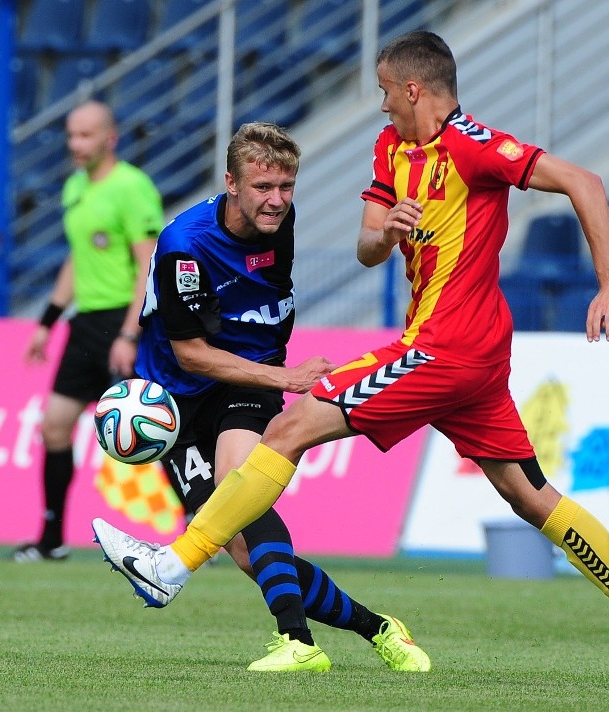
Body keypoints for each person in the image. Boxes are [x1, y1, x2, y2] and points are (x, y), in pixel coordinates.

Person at [92, 32, 609, 693]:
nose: (381, 106)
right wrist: (388, 230)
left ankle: (171, 568)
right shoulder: (392, 149)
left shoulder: (473, 146)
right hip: (470, 357)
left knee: (289, 430)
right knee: (529, 496)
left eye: (385, 92)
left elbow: (584, 181)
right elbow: (365, 249)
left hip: (445, 347)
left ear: (413, 89)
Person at [93, 122, 430, 673]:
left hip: (246, 381)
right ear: (231, 183)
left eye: (287, 186)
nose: (276, 201)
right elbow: (192, 355)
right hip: (180, 395)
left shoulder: (279, 220)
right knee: (249, 553)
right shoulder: (184, 245)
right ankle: (382, 631)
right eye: (262, 188)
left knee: (241, 486)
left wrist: (272, 373)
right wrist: (291, 378)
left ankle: (298, 643)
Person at [13, 101, 163, 562]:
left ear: (109, 138)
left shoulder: (132, 188)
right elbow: (78, 258)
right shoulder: (75, 187)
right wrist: (47, 321)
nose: (75, 144)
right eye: (71, 135)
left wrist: (128, 333)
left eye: (85, 135)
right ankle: (52, 538)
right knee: (54, 427)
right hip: (86, 325)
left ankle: (204, 533)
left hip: (124, 321)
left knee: (160, 434)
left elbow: (148, 266)